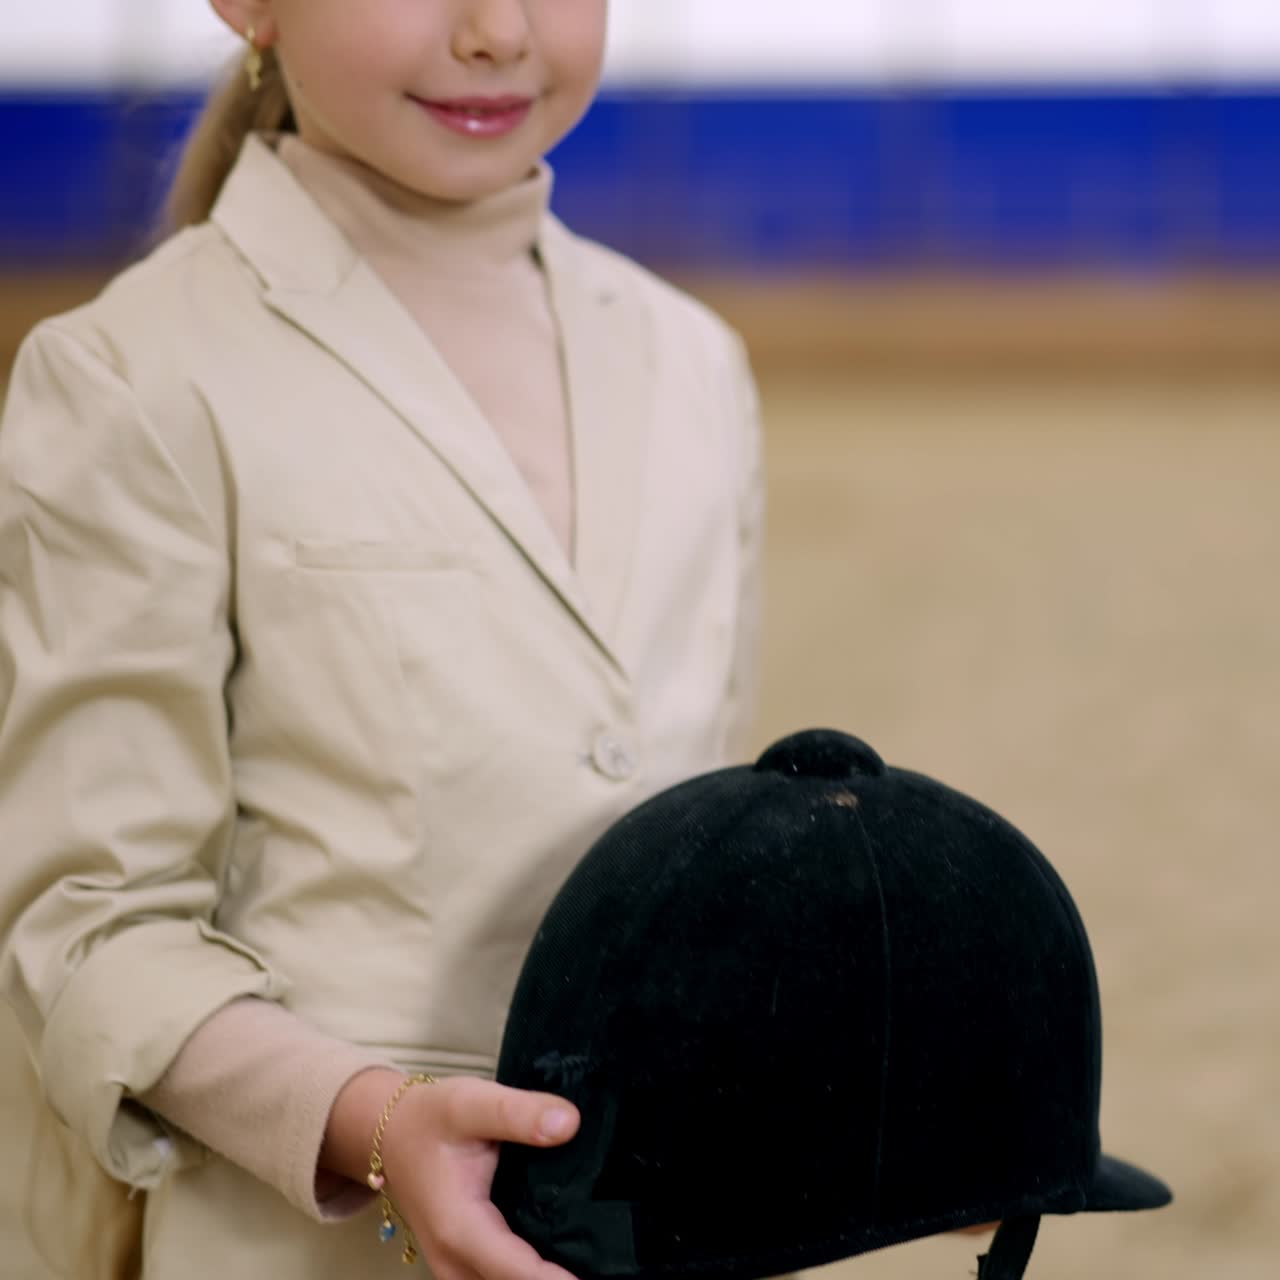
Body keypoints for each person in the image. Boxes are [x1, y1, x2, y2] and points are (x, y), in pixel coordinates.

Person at [0, 3, 763, 1278]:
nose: (494, 31)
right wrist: (376, 1121)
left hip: (648, 1228)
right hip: (296, 1240)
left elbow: (701, 859)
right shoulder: (128, 377)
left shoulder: (695, 361)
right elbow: (87, 929)